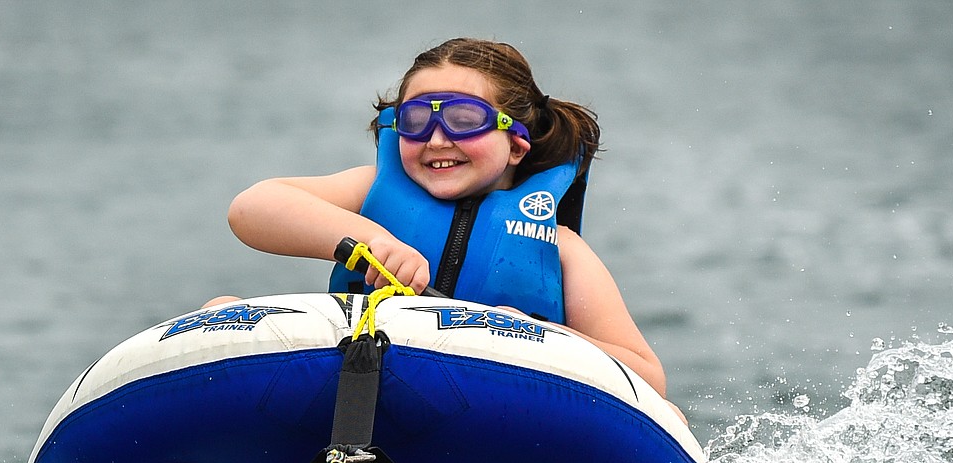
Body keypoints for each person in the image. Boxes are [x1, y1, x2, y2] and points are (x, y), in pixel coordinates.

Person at [221, 38, 674, 403]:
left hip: (501, 414)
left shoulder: (562, 246)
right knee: (222, 309)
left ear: (517, 145)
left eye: (464, 119)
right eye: (416, 119)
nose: (437, 138)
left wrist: (543, 337)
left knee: (670, 413)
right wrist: (373, 241)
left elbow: (647, 376)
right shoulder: (368, 192)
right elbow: (252, 207)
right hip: (354, 382)